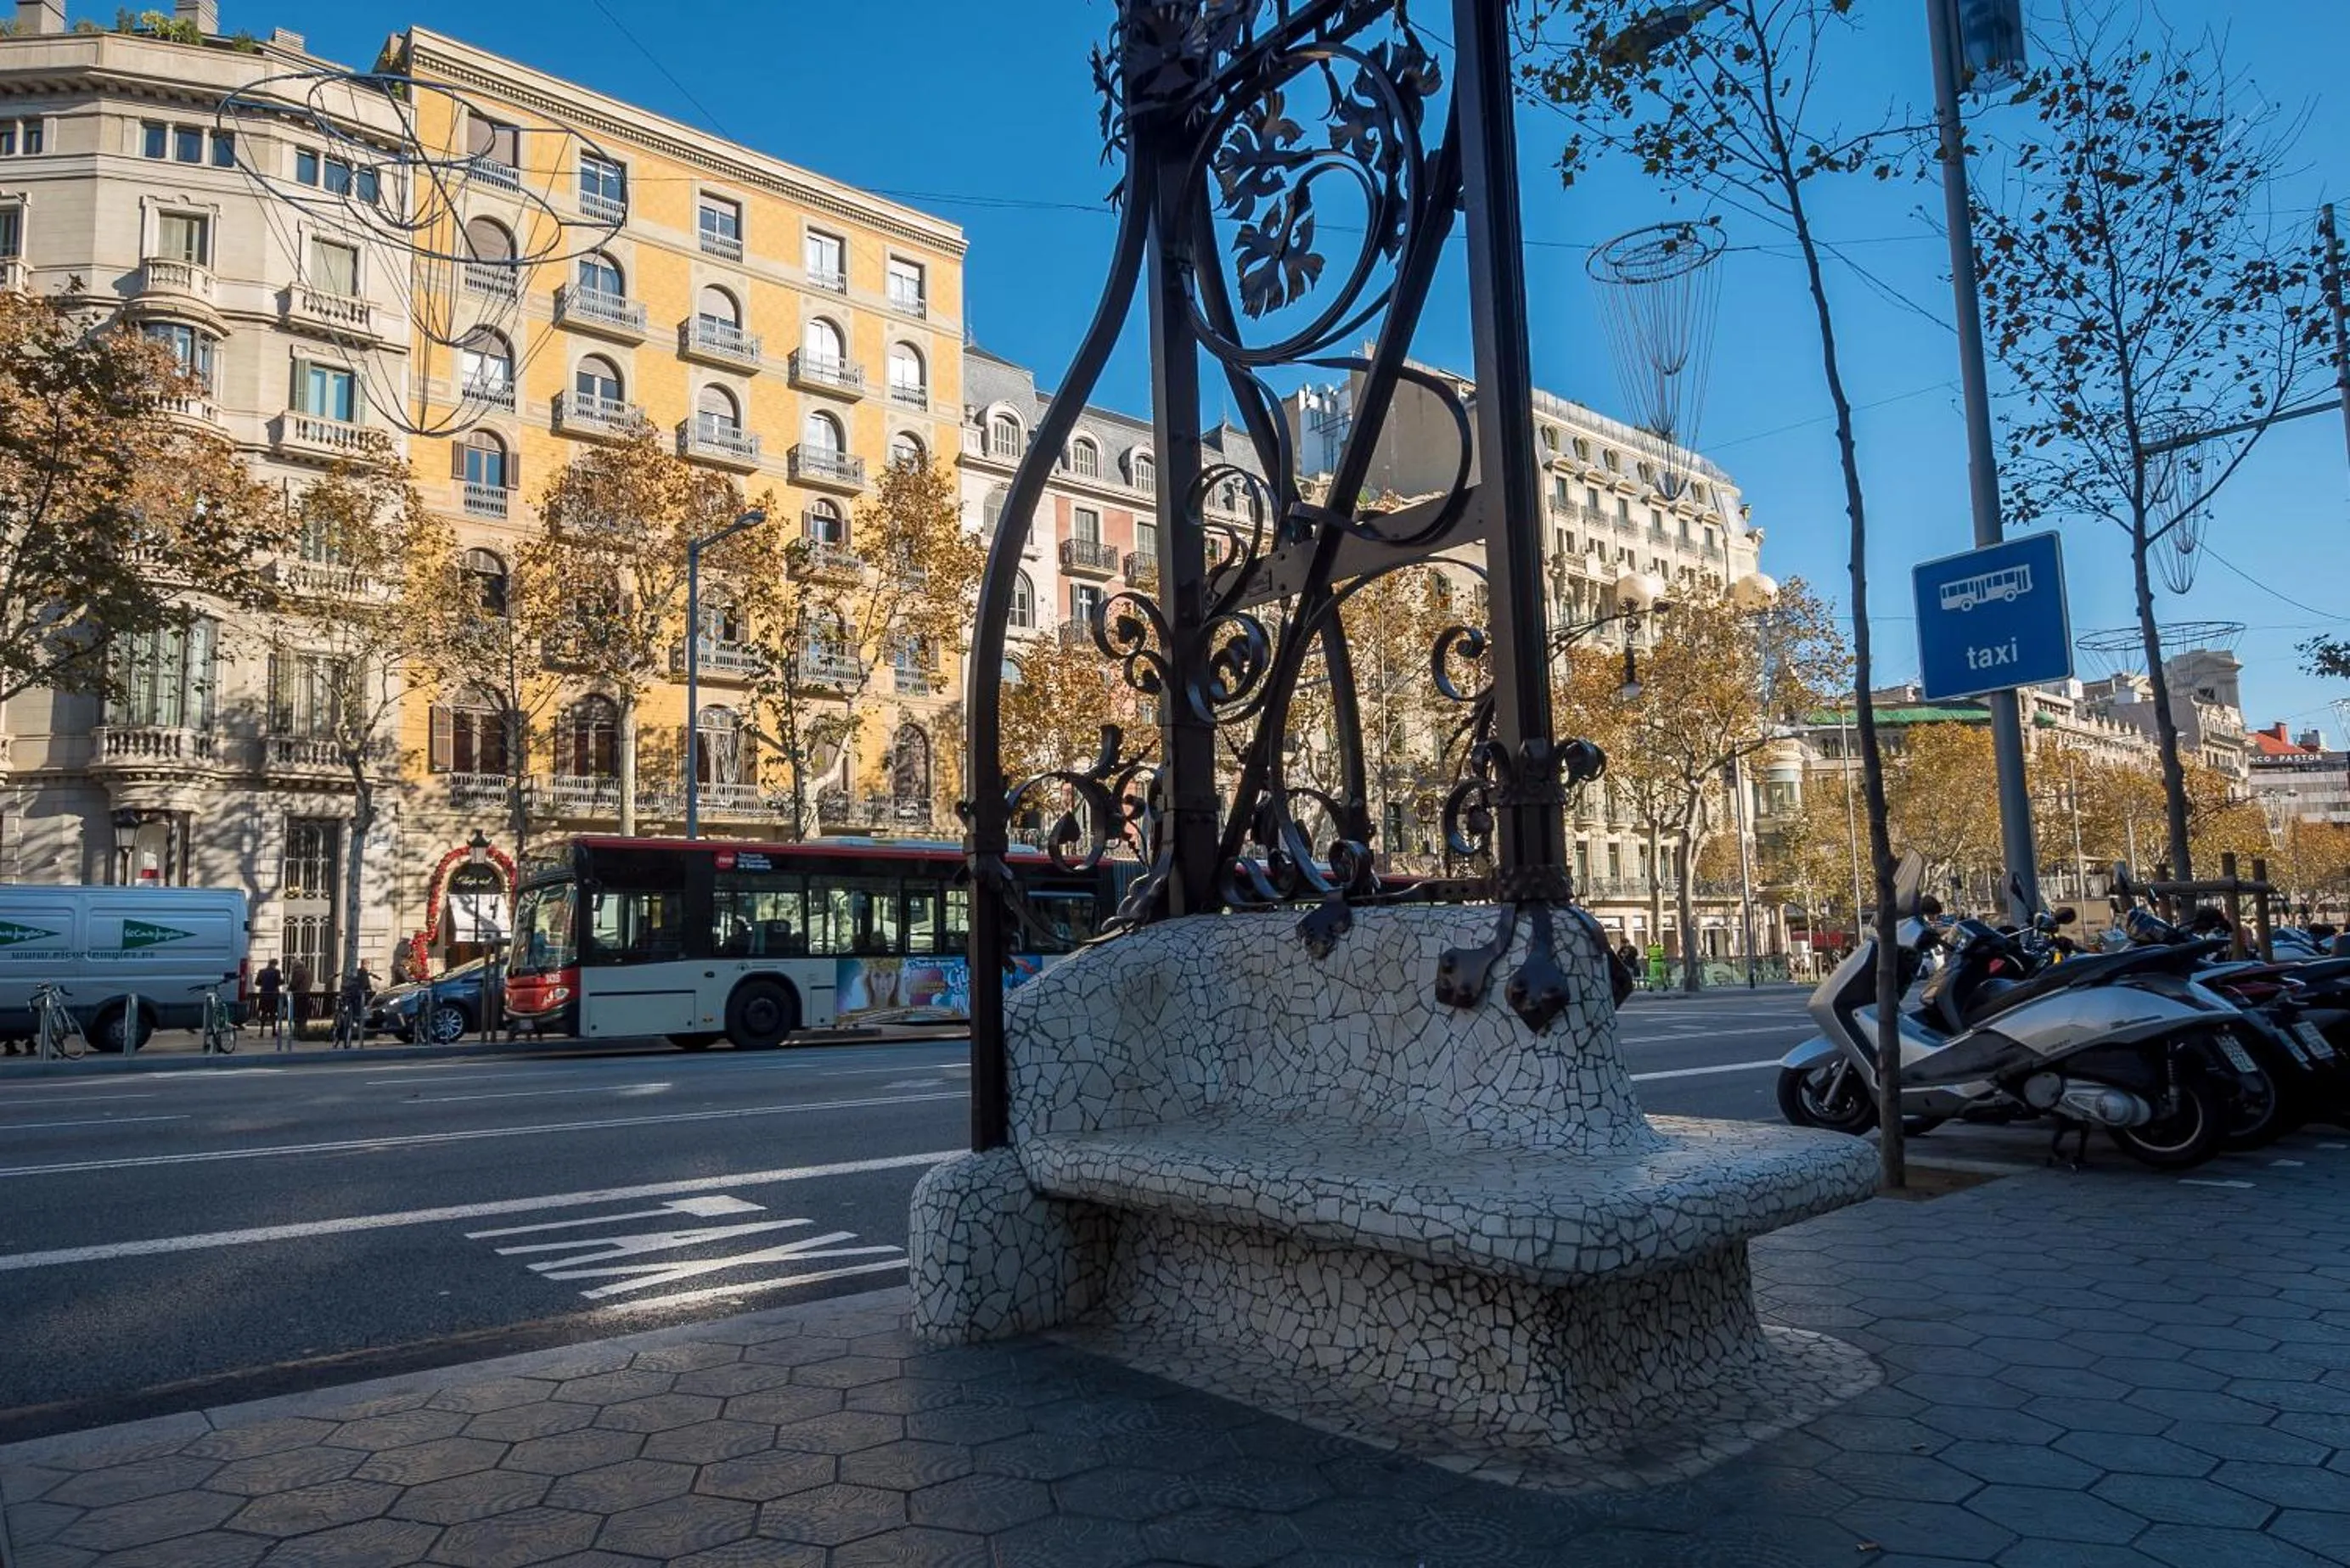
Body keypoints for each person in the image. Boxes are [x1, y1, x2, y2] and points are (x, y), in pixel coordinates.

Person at [336, 964, 374, 1048]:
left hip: (350, 996)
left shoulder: (356, 974)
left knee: (347, 1007)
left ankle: (345, 1022)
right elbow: (368, 987)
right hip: (356, 997)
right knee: (355, 1009)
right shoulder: (364, 974)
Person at [254, 958, 284, 1048]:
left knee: (264, 1013)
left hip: (264, 995)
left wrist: (264, 984)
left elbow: (257, 983)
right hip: (273, 996)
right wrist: (283, 981)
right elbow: (279, 982)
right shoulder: (277, 972)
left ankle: (261, 1031)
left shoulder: (261, 972)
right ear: (274, 964)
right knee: (273, 1013)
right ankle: (274, 1030)